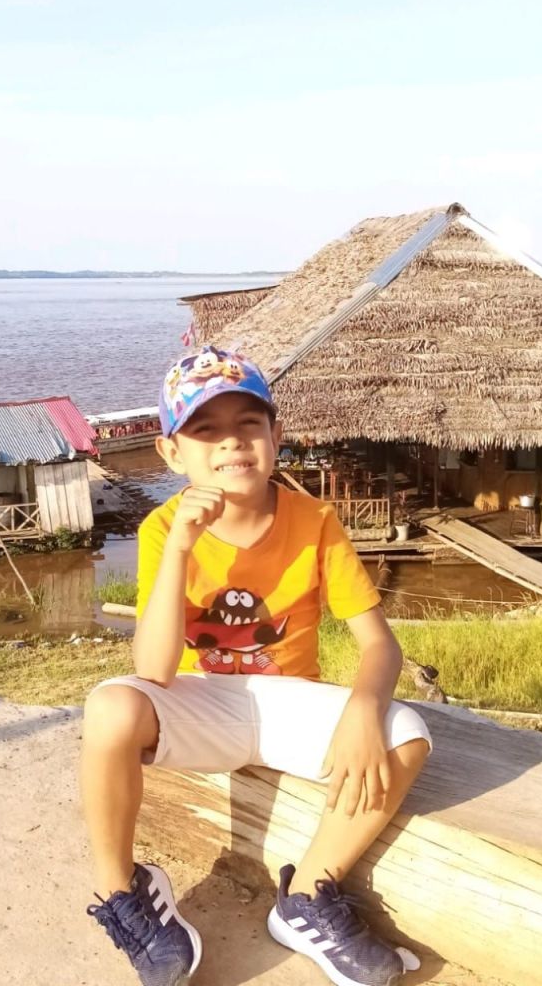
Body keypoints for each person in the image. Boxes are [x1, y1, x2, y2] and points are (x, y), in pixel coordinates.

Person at [82, 344, 432, 986]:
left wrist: (363, 709)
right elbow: (153, 671)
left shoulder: (314, 520)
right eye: (205, 430)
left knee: (405, 732)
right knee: (110, 707)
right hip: (203, 702)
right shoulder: (163, 528)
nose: (231, 442)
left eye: (248, 424)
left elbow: (380, 645)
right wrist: (181, 548)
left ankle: (307, 899)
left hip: (288, 702)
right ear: (171, 452)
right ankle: (123, 892)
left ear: (275, 434)